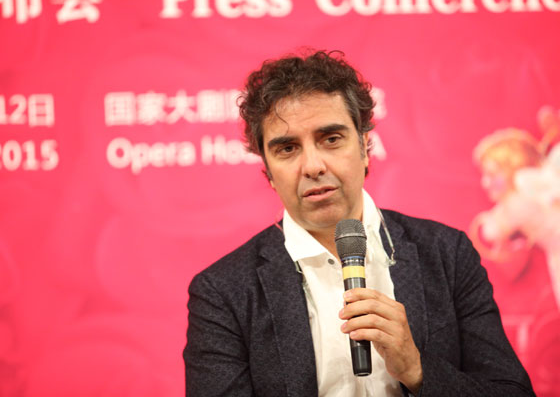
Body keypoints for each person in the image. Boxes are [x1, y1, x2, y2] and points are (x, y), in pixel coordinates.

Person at [183, 50, 534, 397]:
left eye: (331, 139)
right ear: (268, 173)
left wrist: (416, 370)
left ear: (366, 146)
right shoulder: (224, 291)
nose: (313, 166)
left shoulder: (446, 254)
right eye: (287, 149)